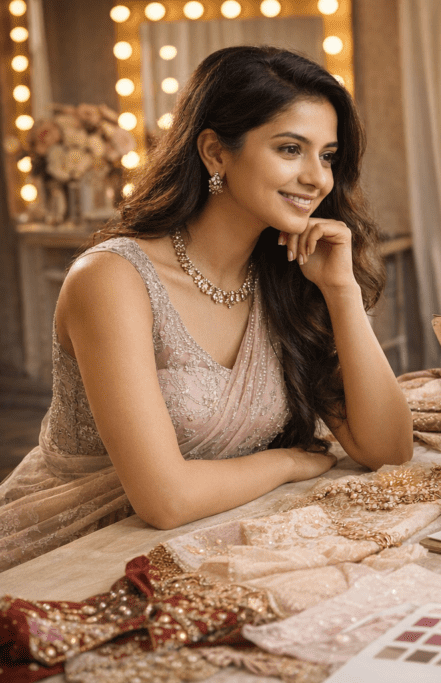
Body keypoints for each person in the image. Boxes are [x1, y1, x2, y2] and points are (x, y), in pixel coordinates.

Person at [0, 46, 413, 571]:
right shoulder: (112, 280)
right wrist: (285, 462)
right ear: (216, 153)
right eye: (291, 149)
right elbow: (166, 499)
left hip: (197, 547)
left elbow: (390, 449)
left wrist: (342, 292)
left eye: (327, 156)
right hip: (64, 554)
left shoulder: (288, 278)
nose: (318, 179)